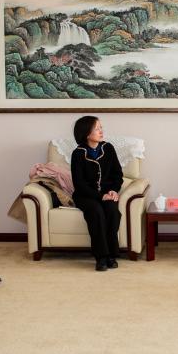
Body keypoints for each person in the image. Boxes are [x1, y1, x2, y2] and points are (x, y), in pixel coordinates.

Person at [70, 116, 123, 272]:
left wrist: (113, 190)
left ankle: (111, 255)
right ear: (87, 133)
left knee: (112, 211)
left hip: (107, 193)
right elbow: (79, 184)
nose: (101, 131)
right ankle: (101, 257)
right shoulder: (78, 153)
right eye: (97, 128)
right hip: (85, 195)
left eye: (101, 127)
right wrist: (100, 196)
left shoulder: (108, 148)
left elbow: (117, 175)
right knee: (96, 211)